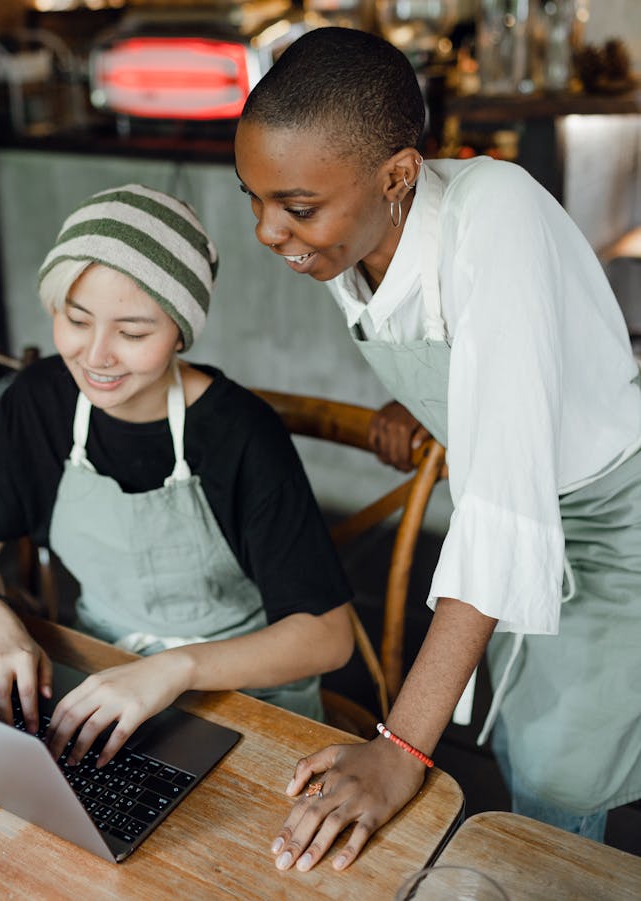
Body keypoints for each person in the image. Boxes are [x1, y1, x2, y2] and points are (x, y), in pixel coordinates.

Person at [234, 26, 641, 872]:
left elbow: (498, 509)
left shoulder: (498, 214)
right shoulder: (349, 235)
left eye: (297, 206)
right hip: (524, 502)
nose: (271, 231)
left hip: (615, 518)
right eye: (255, 199)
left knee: (561, 772)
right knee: (537, 736)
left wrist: (402, 751)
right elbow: (467, 345)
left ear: (398, 175)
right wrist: (422, 398)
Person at [0, 183, 354, 769]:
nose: (96, 356)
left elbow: (327, 637)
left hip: (244, 694)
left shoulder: (239, 432)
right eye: (76, 320)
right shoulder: (40, 401)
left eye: (132, 333)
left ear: (181, 332)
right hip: (100, 673)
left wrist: (176, 668)